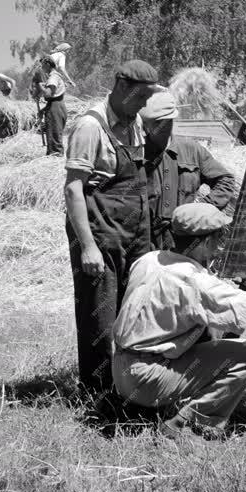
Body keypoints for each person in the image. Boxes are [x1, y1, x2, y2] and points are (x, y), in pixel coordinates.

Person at [112, 202, 246, 442]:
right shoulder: (195, 282)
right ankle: (185, 425)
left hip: (120, 369)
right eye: (217, 238)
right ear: (203, 243)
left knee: (211, 328)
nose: (220, 245)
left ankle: (149, 408)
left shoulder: (150, 259)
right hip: (148, 379)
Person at [64, 59, 159, 393]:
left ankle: (130, 383)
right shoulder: (90, 127)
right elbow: (74, 189)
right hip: (100, 233)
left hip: (133, 233)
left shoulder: (133, 123)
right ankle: (97, 394)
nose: (145, 104)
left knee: (134, 308)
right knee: (99, 318)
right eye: (142, 96)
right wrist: (88, 246)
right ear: (121, 87)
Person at [139, 90, 237, 251]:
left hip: (184, 243)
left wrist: (201, 209)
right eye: (153, 123)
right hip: (146, 241)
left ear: (172, 120)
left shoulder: (192, 150)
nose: (159, 128)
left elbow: (225, 180)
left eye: (164, 122)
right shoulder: (136, 153)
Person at [31, 55, 67, 155]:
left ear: (47, 64)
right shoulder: (55, 76)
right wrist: (43, 110)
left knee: (54, 136)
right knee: (53, 135)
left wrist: (39, 86)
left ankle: (56, 156)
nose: (42, 68)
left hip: (55, 108)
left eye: (42, 65)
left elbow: (48, 94)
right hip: (55, 105)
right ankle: (53, 155)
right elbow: (53, 98)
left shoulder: (53, 77)